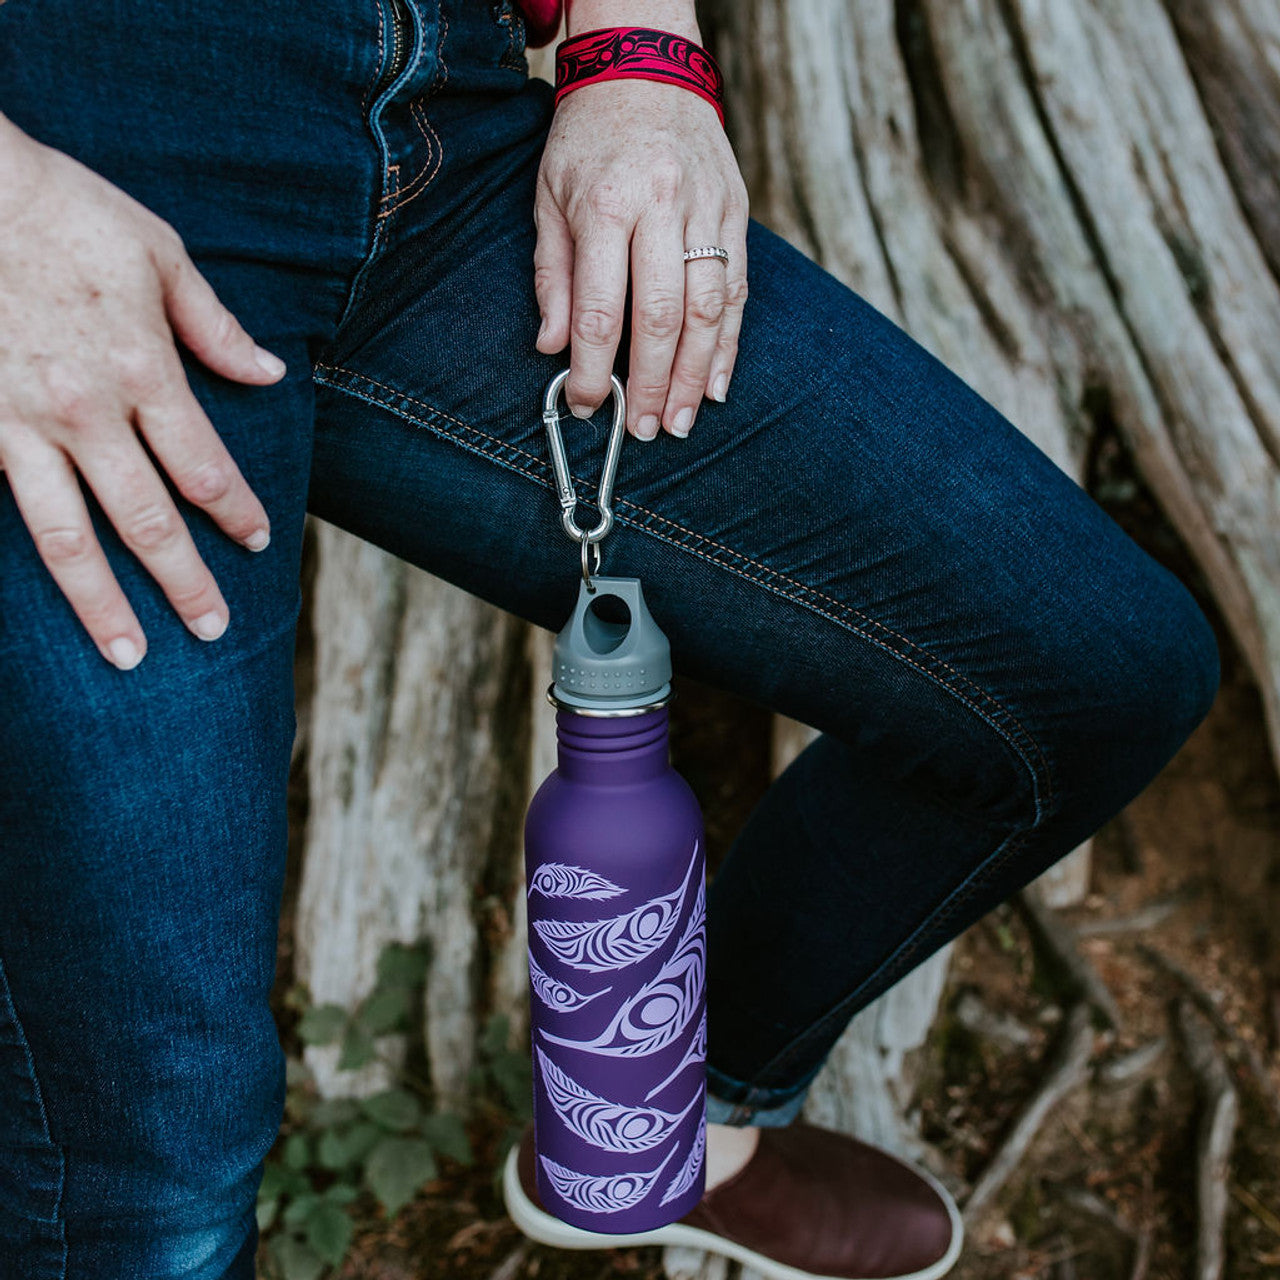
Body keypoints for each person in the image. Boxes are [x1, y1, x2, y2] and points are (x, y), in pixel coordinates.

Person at [0, 1, 1219, 1277]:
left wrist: (638, 43)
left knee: (1086, 670)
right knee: (156, 1179)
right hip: (73, 183)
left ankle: (661, 1114)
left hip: (448, 133)